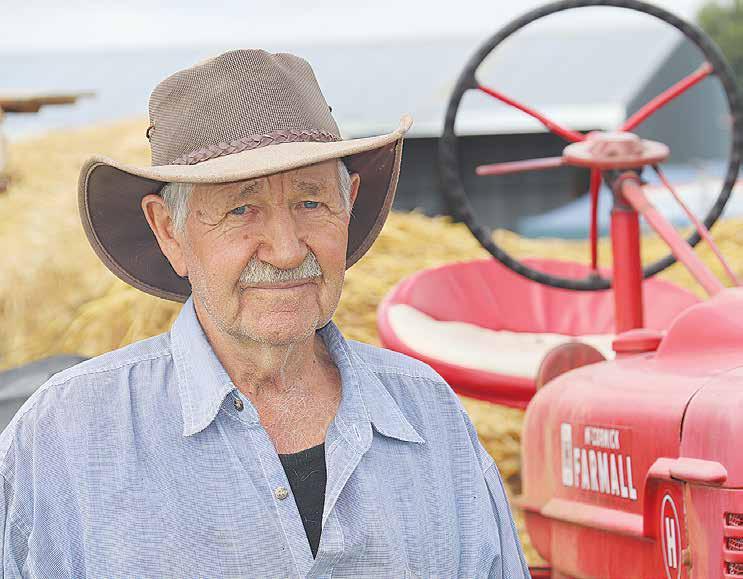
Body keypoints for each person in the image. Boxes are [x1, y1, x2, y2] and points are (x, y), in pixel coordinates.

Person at [0, 49, 529, 577]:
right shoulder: (65, 435)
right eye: (241, 209)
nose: (286, 251)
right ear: (168, 231)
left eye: (311, 203)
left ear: (348, 205)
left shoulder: (430, 414)